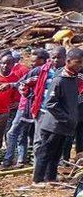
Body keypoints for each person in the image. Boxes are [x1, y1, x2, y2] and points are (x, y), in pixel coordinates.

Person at [33, 48, 83, 184]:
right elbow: (50, 103)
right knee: (45, 152)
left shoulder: (73, 78)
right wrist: (66, 118)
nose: (80, 65)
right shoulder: (60, 79)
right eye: (78, 62)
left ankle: (50, 177)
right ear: (68, 61)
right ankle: (38, 180)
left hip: (64, 126)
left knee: (56, 154)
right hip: (53, 125)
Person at [2, 49, 49, 168]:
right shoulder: (48, 71)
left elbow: (22, 83)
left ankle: (8, 159)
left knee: (12, 133)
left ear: (41, 60)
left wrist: (24, 92)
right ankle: (21, 160)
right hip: (36, 108)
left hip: (26, 107)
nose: (32, 63)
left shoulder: (38, 71)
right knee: (23, 135)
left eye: (34, 61)